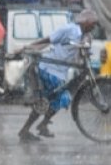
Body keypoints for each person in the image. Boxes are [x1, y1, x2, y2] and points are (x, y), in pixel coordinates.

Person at [17, 9, 99, 142]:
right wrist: (27, 47)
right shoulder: (69, 29)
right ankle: (28, 129)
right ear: (86, 22)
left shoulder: (86, 36)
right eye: (93, 24)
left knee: (59, 99)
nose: (94, 27)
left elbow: (81, 55)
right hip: (50, 69)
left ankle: (38, 126)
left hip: (60, 72)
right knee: (54, 100)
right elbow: (48, 39)